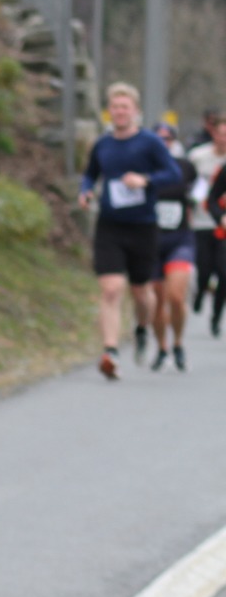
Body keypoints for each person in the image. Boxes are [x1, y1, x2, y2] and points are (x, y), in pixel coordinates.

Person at [79, 84, 182, 379]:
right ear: (109, 111)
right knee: (111, 289)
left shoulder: (150, 142)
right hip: (110, 226)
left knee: (141, 292)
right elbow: (90, 174)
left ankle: (141, 327)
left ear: (135, 111)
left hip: (143, 226)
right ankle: (110, 352)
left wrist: (145, 180)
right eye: (115, 107)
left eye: (125, 107)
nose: (120, 112)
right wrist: (85, 191)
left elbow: (173, 173)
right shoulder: (103, 144)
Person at [147, 121, 199, 371]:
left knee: (176, 297)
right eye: (158, 138)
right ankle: (161, 347)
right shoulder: (143, 167)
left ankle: (177, 342)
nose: (163, 143)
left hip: (179, 239)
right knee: (157, 300)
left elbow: (201, 189)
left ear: (173, 142)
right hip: (151, 241)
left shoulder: (185, 166)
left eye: (167, 139)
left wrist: (195, 201)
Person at [189, 112, 226, 338]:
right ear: (214, 133)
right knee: (204, 269)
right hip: (202, 222)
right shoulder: (198, 157)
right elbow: (192, 187)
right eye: (221, 134)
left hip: (223, 230)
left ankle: (216, 318)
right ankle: (200, 292)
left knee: (223, 273)